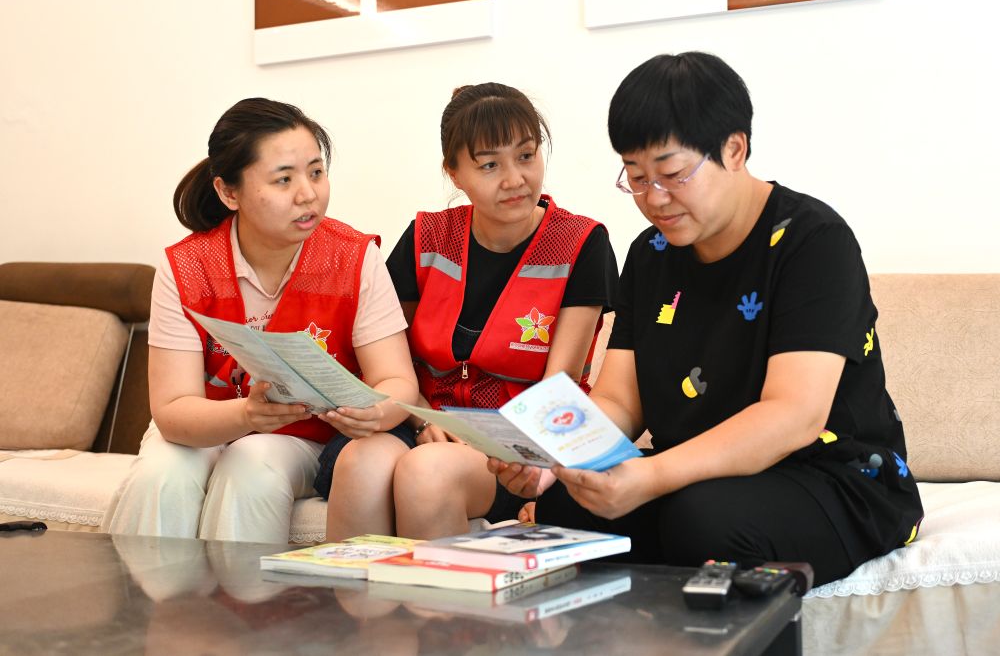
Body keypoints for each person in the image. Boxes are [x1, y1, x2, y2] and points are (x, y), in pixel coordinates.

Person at [493, 53, 923, 586]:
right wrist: (552, 457)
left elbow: (794, 415)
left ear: (734, 149)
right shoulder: (650, 253)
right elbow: (621, 400)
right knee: (568, 508)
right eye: (636, 177)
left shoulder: (813, 241)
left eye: (673, 174)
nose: (654, 199)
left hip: (832, 475)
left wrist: (651, 474)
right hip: (697, 475)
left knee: (703, 522)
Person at [102, 98, 418, 544]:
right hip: (206, 426)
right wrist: (247, 414)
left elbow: (398, 381)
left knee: (252, 466)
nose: (307, 194)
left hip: (303, 437)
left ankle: (242, 593)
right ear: (229, 193)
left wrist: (375, 412)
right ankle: (144, 593)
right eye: (284, 179)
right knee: (161, 476)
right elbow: (173, 411)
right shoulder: (186, 266)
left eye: (316, 172)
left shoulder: (354, 258)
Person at [318, 82, 617, 539]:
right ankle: (357, 591)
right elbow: (389, 360)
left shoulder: (581, 243)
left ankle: (437, 592)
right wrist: (423, 419)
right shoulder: (426, 237)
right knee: (360, 464)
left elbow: (560, 386)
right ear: (454, 173)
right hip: (421, 419)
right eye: (490, 165)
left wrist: (478, 440)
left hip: (514, 444)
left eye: (526, 156)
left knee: (428, 471)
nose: (515, 179)